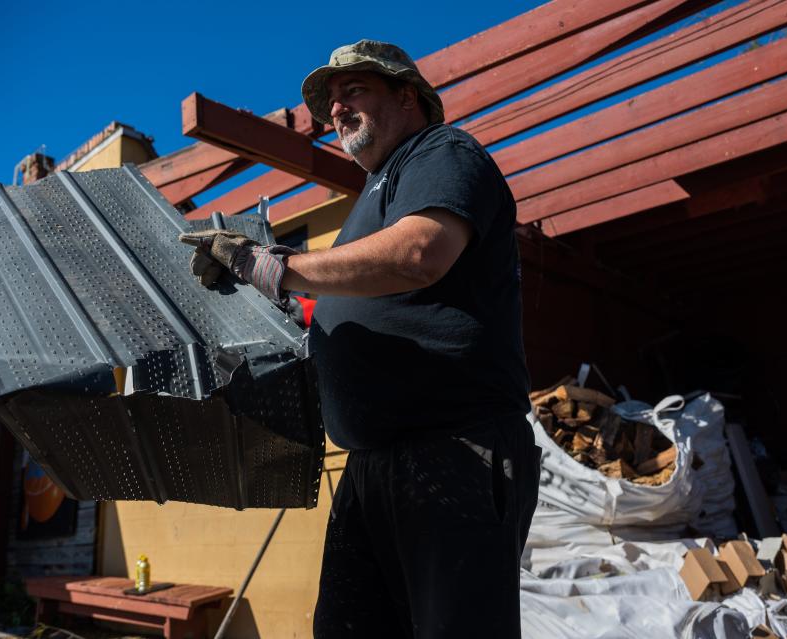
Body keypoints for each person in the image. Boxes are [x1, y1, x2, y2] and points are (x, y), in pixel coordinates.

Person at [180, 40, 539, 639]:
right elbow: (357, 295)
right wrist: (291, 312)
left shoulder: (442, 152)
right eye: (331, 103)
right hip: (373, 462)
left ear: (407, 95)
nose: (337, 110)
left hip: (455, 448)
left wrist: (275, 266)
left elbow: (420, 253)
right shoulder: (369, 200)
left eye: (354, 92)